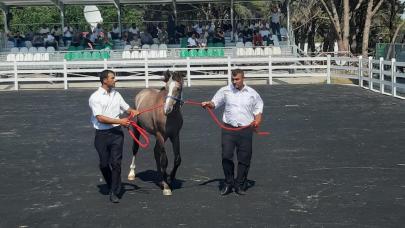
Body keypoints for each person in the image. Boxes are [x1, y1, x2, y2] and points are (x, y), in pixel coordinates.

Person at [201, 69, 263, 196]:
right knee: (226, 156)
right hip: (228, 129)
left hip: (245, 129)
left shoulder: (252, 93)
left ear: (243, 78)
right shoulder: (225, 91)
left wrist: (257, 121)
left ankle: (240, 184)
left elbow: (258, 109)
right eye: (233, 79)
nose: (234, 82)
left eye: (237, 79)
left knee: (244, 158)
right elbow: (215, 103)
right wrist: (208, 104)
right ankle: (229, 183)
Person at [88, 70, 139, 203]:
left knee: (116, 163)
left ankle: (114, 191)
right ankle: (112, 184)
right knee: (104, 164)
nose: (115, 80)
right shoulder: (95, 97)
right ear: (105, 80)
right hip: (102, 135)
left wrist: (134, 111)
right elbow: (100, 118)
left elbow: (127, 109)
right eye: (112, 78)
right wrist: (121, 121)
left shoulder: (117, 94)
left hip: (117, 134)